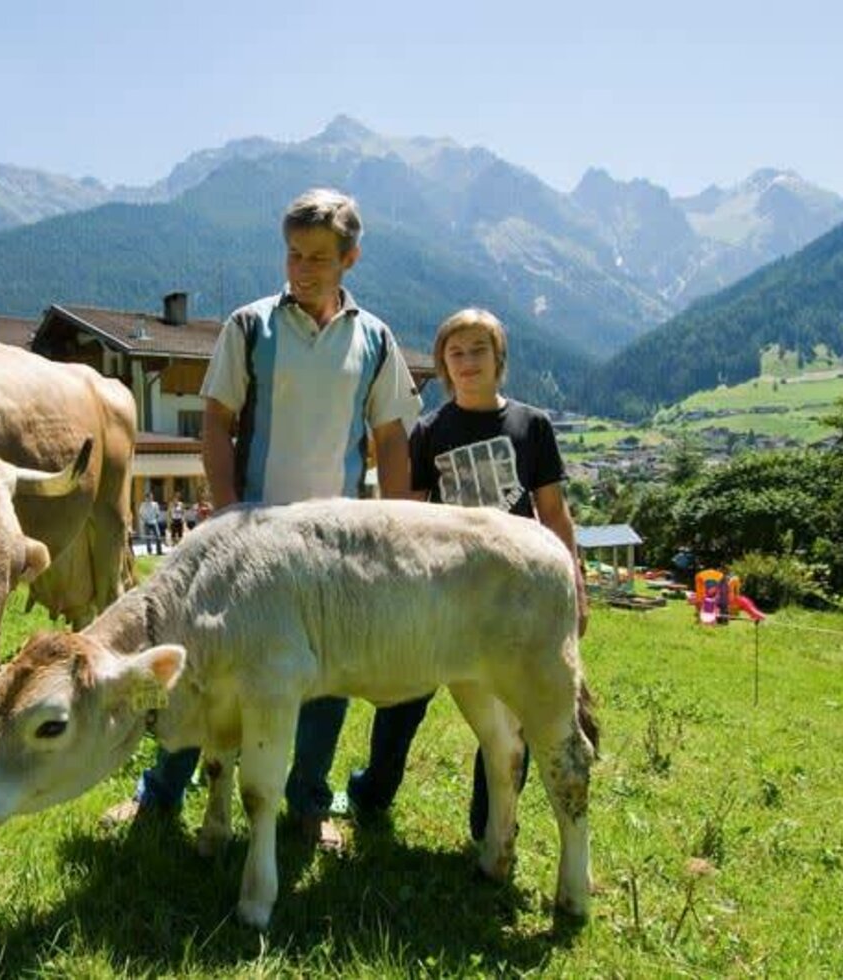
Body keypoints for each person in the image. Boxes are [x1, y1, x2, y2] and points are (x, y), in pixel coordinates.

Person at [103, 187, 422, 847]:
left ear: (350, 260)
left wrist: (393, 528)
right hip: (245, 542)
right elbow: (215, 423)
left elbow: (391, 439)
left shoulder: (376, 340)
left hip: (334, 547)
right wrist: (226, 515)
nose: (301, 269)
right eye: (292, 254)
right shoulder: (250, 327)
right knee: (200, 669)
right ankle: (159, 793)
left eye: (317, 259)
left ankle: (308, 806)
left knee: (327, 676)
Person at [344, 307, 589, 839]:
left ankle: (492, 824)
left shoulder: (532, 426)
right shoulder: (429, 431)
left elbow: (553, 512)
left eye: (479, 349)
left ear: (499, 358)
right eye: (456, 353)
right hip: (440, 597)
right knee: (403, 698)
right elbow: (408, 518)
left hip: (511, 599)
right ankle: (374, 789)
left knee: (508, 716)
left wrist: (576, 588)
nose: (467, 361)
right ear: (443, 365)